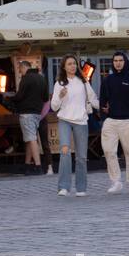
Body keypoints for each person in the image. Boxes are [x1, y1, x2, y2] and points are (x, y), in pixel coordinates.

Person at [99, 50, 129, 194]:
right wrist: (104, 117)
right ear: (112, 63)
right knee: (109, 151)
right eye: (115, 61)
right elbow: (102, 100)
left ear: (125, 62)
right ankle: (116, 182)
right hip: (111, 121)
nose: (118, 63)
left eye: (120, 60)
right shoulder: (107, 80)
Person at [51, 55, 99, 197]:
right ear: (64, 67)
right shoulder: (59, 83)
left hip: (81, 121)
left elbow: (93, 99)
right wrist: (60, 96)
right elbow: (54, 107)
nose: (72, 66)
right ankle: (64, 187)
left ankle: (81, 187)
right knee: (65, 152)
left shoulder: (83, 82)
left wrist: (105, 107)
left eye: (74, 64)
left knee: (81, 157)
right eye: (69, 64)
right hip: (64, 120)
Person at [8, 60, 49, 174]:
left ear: (23, 67)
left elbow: (20, 96)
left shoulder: (25, 79)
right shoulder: (41, 78)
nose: (20, 72)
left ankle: (38, 166)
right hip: (37, 113)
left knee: (31, 139)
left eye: (20, 69)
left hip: (26, 113)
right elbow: (46, 98)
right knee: (30, 139)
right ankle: (27, 165)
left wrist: (10, 98)